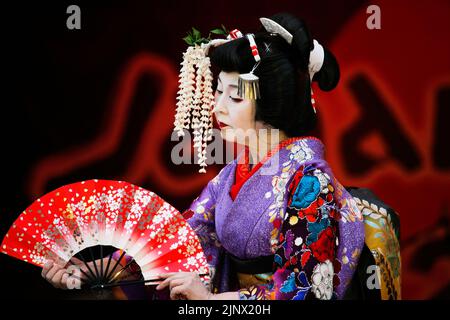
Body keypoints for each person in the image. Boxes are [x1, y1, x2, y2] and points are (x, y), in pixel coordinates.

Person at [42, 12, 399, 300]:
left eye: (235, 96)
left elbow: (305, 290)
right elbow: (178, 240)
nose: (219, 107)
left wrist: (211, 301)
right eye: (218, 91)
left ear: (270, 105)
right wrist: (92, 271)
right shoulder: (231, 176)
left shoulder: (310, 182)